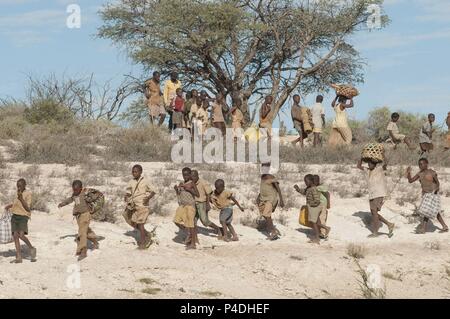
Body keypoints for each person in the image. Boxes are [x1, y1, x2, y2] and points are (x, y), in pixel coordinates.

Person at [58, 180, 99, 261]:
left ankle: (83, 250)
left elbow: (96, 196)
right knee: (86, 231)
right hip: (78, 216)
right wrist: (62, 204)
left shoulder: (85, 194)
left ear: (81, 188)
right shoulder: (75, 194)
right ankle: (95, 242)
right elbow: (70, 199)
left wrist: (94, 206)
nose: (75, 191)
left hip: (86, 215)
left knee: (82, 232)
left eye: (76, 189)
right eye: (73, 189)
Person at [407, 159, 448, 234]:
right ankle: (444, 226)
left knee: (428, 211)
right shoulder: (419, 174)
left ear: (427, 164)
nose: (421, 166)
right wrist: (408, 173)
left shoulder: (432, 172)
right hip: (426, 194)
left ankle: (423, 229)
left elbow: (437, 182)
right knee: (433, 211)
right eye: (419, 164)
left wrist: (436, 189)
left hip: (433, 194)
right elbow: (410, 181)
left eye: (422, 164)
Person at [357, 159, 395, 238]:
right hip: (372, 194)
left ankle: (375, 232)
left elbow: (386, 163)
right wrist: (361, 157)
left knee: (374, 212)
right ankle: (389, 224)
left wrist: (384, 155)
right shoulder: (366, 170)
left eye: (371, 163)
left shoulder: (379, 169)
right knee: (374, 213)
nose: (369, 164)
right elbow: (358, 166)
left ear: (375, 164)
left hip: (379, 193)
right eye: (368, 163)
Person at [123, 165, 156, 250]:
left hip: (142, 205)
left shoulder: (146, 181)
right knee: (130, 220)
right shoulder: (131, 181)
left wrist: (148, 198)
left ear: (140, 172)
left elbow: (154, 190)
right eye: (133, 171)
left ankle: (143, 243)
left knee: (140, 223)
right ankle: (147, 234)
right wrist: (126, 196)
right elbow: (128, 192)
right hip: (133, 205)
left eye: (136, 171)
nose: (134, 173)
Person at [4, 179, 36, 264]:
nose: (18, 187)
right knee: (15, 235)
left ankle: (31, 248)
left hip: (23, 216)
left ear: (24, 185)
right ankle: (18, 257)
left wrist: (21, 198)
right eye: (17, 185)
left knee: (21, 235)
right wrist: (9, 206)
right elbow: (16, 203)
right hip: (14, 215)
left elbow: (27, 208)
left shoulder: (28, 194)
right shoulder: (17, 193)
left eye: (20, 186)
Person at [294, 175, 330, 244]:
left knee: (313, 222)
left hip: (314, 207)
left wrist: (312, 204)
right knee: (317, 222)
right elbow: (304, 192)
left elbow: (316, 199)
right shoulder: (309, 188)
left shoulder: (313, 189)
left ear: (311, 181)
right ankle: (326, 228)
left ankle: (317, 238)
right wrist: (298, 189)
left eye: (306, 181)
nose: (305, 183)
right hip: (312, 207)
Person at [173, 168, 200, 250]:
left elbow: (197, 194)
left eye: (187, 175)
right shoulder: (181, 183)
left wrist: (189, 190)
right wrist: (176, 190)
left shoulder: (192, 183)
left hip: (190, 206)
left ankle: (193, 244)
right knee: (176, 220)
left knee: (191, 224)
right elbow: (179, 194)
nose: (185, 176)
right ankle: (189, 233)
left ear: (190, 175)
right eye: (183, 175)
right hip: (182, 206)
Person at [257, 163, 285, 240]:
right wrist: (259, 196)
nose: (263, 170)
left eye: (265, 168)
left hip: (271, 198)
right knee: (265, 215)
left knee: (266, 215)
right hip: (263, 198)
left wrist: (281, 200)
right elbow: (263, 187)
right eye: (262, 168)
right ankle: (273, 229)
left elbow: (278, 188)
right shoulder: (262, 177)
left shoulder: (271, 177)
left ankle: (273, 233)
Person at [191, 170, 222, 238]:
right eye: (191, 176)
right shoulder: (191, 183)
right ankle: (194, 237)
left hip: (202, 203)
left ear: (197, 176)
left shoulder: (202, 182)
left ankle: (218, 229)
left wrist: (208, 204)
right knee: (193, 220)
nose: (192, 178)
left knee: (205, 221)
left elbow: (208, 193)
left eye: (194, 176)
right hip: (195, 204)